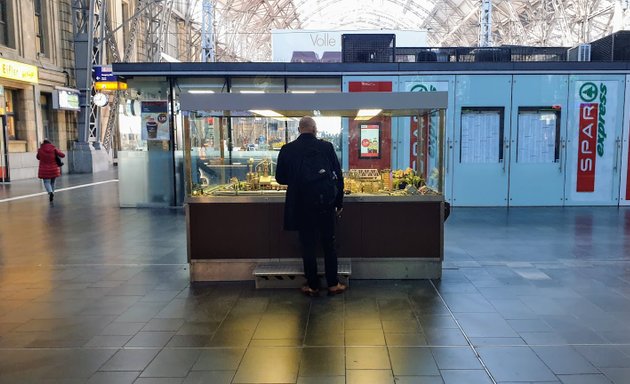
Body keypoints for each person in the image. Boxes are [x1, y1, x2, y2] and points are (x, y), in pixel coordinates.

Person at [276, 116, 346, 296]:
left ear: (299, 130)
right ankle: (333, 284)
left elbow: (280, 178)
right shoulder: (326, 147)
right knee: (328, 244)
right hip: (325, 204)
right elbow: (338, 176)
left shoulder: (287, 149)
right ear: (315, 129)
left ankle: (312, 285)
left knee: (307, 245)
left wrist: (298, 180)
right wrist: (338, 203)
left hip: (300, 205)